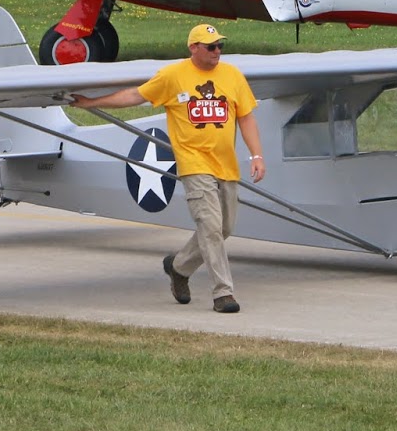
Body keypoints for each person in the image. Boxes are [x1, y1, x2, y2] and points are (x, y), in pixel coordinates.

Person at [72, 24, 265, 313]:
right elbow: (134, 95)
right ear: (194, 48)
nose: (217, 52)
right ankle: (223, 293)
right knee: (210, 227)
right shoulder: (173, 76)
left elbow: (246, 117)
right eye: (210, 46)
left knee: (224, 229)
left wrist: (257, 156)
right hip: (193, 164)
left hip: (225, 164)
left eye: (219, 46)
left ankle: (178, 268)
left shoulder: (232, 75)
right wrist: (91, 104)